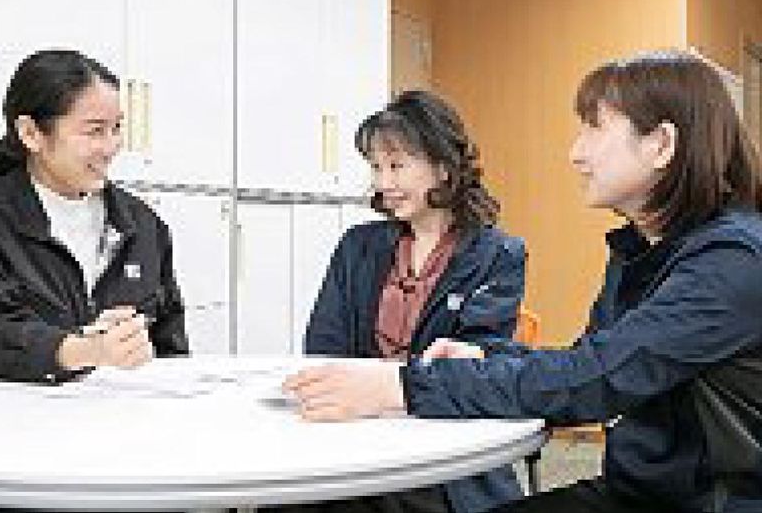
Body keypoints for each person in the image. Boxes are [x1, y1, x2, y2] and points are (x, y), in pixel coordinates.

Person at [286, 51, 762, 513]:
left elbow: (595, 380)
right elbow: (588, 359)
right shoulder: (644, 249)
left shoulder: (732, 262)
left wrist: (402, 386)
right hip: (647, 489)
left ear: (661, 144)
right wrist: (488, 358)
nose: (576, 153)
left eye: (593, 128)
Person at [302, 90, 527, 513]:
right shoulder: (356, 247)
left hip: (444, 449)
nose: (383, 183)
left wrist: (392, 391)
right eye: (376, 167)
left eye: (397, 166)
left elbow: (478, 366)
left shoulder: (497, 255)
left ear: (443, 167)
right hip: (357, 436)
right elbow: (324, 346)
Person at [0, 49, 189, 384]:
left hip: (125, 412)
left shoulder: (142, 226)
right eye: (94, 131)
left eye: (116, 128)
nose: (111, 147)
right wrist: (81, 351)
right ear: (31, 133)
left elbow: (171, 349)